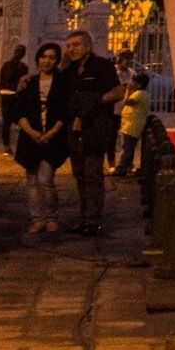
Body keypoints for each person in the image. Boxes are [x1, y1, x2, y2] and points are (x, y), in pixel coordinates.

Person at [53, 29, 124, 237]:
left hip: (95, 126)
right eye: (69, 46)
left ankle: (94, 219)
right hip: (73, 127)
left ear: (88, 46)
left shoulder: (102, 66)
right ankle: (84, 217)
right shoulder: (69, 70)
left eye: (76, 45)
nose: (71, 49)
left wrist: (93, 102)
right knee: (79, 174)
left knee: (92, 173)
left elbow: (118, 92)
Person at [12, 42, 70, 235]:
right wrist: (32, 132)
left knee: (46, 179)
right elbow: (18, 110)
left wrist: (50, 133)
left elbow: (65, 112)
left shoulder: (63, 83)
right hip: (30, 138)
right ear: (37, 59)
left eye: (52, 57)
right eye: (44, 57)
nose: (47, 61)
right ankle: (37, 218)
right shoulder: (28, 83)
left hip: (53, 138)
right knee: (31, 179)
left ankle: (51, 217)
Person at [112, 72, 152, 176]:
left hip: (131, 126)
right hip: (132, 125)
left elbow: (126, 102)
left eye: (133, 82)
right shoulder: (144, 94)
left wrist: (128, 91)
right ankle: (128, 167)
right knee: (129, 148)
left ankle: (120, 169)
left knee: (126, 149)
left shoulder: (139, 94)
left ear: (139, 85)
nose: (131, 83)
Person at [0, 42, 28, 150]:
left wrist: (0, 91)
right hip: (15, 95)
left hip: (4, 94)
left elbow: (1, 80)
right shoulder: (23, 67)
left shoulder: (5, 65)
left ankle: (6, 146)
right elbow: (24, 83)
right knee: (21, 120)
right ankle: (23, 144)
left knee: (6, 122)